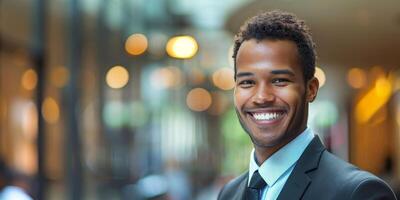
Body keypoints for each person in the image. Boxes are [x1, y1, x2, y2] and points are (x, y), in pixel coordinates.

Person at [218, 10, 397, 200]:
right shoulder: (229, 194)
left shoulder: (360, 193)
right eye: (247, 82)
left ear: (311, 89)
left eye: (279, 80)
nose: (262, 97)